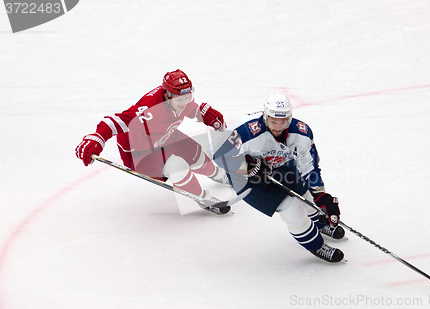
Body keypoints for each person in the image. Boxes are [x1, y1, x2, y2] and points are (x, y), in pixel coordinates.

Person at [213, 93, 346, 262]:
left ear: (289, 119)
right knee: (291, 207)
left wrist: (322, 196)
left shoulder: (301, 133)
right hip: (248, 179)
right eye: (273, 121)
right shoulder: (246, 131)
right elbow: (217, 154)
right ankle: (317, 245)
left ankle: (320, 223)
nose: (277, 126)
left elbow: (309, 167)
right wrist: (245, 166)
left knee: (307, 195)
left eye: (282, 122)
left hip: (279, 166)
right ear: (265, 116)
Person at [75, 69, 230, 214]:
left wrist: (204, 114)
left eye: (187, 97)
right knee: (177, 166)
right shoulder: (148, 110)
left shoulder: (179, 98)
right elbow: (115, 121)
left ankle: (218, 174)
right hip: (140, 154)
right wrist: (98, 138)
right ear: (167, 95)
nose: (185, 102)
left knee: (195, 152)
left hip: (164, 137)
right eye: (180, 99)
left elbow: (191, 108)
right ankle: (202, 198)